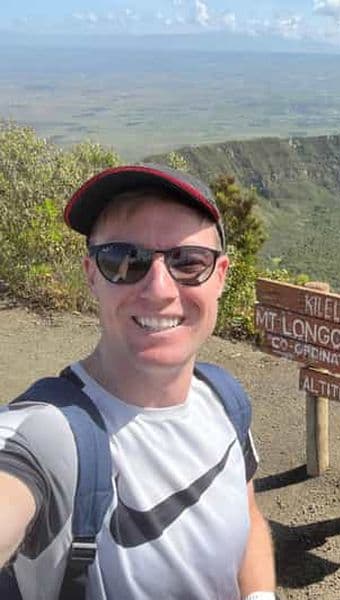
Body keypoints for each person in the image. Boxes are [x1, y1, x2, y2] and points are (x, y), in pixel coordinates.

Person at [0, 165, 276, 599]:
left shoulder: (224, 400)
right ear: (92, 274)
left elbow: (247, 515)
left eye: (188, 262)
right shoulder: (48, 437)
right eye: (123, 260)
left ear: (220, 276)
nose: (159, 289)